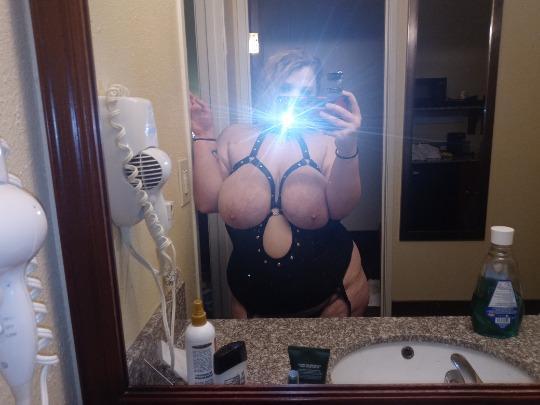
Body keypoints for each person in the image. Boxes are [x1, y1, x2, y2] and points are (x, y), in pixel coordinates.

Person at [190, 49, 369, 318]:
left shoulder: (327, 141)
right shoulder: (234, 138)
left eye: (305, 93)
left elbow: (342, 208)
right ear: (267, 88)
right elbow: (207, 201)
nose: (294, 99)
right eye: (285, 88)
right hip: (250, 303)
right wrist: (204, 133)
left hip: (335, 297)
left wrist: (348, 144)